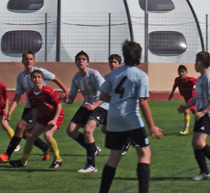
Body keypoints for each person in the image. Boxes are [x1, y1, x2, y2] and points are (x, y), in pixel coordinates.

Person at [99, 40, 163, 193]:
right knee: (144, 153)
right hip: (130, 119)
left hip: (113, 119)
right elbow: (142, 102)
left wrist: (116, 101)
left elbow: (102, 95)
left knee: (113, 157)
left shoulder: (113, 74)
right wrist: (152, 127)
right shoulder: (140, 75)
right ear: (138, 56)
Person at [0, 50, 68, 162]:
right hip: (30, 107)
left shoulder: (39, 72)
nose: (28, 61)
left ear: (34, 61)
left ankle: (7, 155)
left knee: (20, 126)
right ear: (22, 61)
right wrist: (10, 111)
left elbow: (55, 79)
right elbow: (18, 96)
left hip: (40, 107)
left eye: (30, 59)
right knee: (25, 134)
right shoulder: (21, 77)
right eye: (26, 59)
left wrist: (66, 92)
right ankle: (45, 148)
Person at [178, 51, 210, 181]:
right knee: (194, 143)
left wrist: (203, 112)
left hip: (209, 114)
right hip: (201, 113)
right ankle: (204, 172)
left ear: (199, 63)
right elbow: (195, 98)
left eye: (195, 61)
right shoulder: (200, 79)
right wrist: (185, 107)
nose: (194, 64)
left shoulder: (209, 78)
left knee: (200, 142)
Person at [9, 70, 64, 168]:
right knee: (30, 137)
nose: (36, 79)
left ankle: (58, 160)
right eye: (34, 77)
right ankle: (23, 162)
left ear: (42, 79)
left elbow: (59, 106)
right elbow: (34, 110)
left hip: (56, 115)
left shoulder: (48, 91)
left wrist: (55, 120)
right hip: (44, 116)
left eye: (39, 77)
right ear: (31, 80)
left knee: (47, 135)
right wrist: (33, 124)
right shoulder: (30, 94)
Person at [64, 51, 108, 173]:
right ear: (75, 63)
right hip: (87, 105)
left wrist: (94, 106)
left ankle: (91, 165)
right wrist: (65, 100)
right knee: (70, 130)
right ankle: (93, 148)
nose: (81, 61)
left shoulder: (94, 74)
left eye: (83, 59)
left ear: (87, 62)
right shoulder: (76, 78)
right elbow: (71, 99)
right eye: (78, 59)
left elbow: (105, 93)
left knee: (88, 130)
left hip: (101, 104)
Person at [107, 54, 131, 156]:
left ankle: (125, 143)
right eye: (111, 62)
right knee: (105, 129)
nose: (112, 64)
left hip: (123, 106)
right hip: (113, 107)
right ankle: (128, 140)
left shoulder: (123, 75)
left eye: (115, 62)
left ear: (120, 64)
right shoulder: (109, 76)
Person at [168, 65, 197, 135]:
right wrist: (172, 93)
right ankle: (202, 123)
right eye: (179, 72)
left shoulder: (190, 80)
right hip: (186, 97)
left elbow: (199, 82)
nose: (181, 73)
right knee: (195, 112)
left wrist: (198, 88)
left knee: (186, 110)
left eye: (182, 72)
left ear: (186, 72)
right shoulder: (177, 80)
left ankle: (186, 130)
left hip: (192, 97)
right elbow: (175, 85)